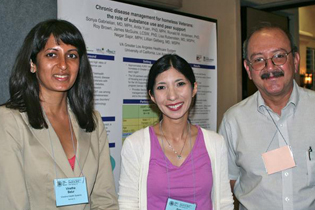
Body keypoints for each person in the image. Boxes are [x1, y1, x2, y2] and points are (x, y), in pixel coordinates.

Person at [0, 19, 118, 209]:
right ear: (32, 63)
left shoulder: (92, 122)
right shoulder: (8, 121)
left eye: (72, 56)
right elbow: (12, 204)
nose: (63, 65)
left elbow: (105, 199)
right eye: (52, 54)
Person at [219, 23, 315, 210]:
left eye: (279, 56)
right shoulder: (233, 121)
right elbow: (226, 186)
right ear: (248, 68)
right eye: (259, 60)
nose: (269, 67)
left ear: (295, 60)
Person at [118, 54, 233, 210]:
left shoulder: (215, 143)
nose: (172, 95)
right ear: (151, 95)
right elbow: (128, 204)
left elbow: (224, 202)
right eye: (161, 87)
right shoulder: (135, 145)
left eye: (180, 84)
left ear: (194, 88)